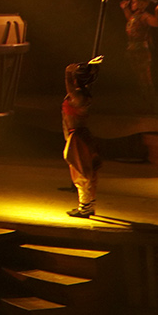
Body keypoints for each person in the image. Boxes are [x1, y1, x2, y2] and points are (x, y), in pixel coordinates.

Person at [62, 57, 104, 218]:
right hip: (80, 135)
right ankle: (88, 205)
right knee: (87, 173)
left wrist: (68, 73)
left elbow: (70, 88)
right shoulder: (83, 93)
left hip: (77, 137)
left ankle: (85, 207)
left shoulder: (78, 96)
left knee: (81, 174)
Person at [121, 0, 158, 112]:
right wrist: (125, 8)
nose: (132, 4)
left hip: (141, 51)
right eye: (132, 2)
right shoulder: (135, 16)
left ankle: (151, 104)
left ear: (142, 4)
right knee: (138, 78)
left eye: (135, 2)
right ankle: (144, 102)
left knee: (145, 77)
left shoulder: (145, 16)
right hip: (132, 50)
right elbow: (129, 19)